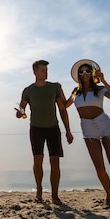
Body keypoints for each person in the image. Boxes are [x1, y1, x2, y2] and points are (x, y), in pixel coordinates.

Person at [66, 59, 110, 212]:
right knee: (99, 168)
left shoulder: (100, 89)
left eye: (88, 71)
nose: (85, 74)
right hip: (88, 129)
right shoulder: (76, 91)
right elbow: (63, 105)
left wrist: (103, 80)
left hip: (105, 126)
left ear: (92, 73)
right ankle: (109, 195)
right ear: (78, 75)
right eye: (81, 72)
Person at [17, 60, 73, 205]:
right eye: (43, 70)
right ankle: (39, 190)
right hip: (36, 129)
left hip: (53, 128)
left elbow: (62, 109)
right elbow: (22, 108)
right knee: (38, 160)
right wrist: (19, 113)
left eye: (47, 70)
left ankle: (55, 195)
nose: (46, 73)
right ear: (35, 72)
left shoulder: (54, 87)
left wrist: (68, 130)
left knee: (55, 161)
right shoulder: (28, 90)